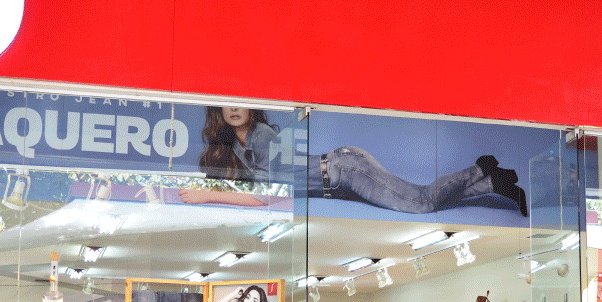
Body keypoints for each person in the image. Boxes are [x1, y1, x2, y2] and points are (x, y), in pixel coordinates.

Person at [179, 107, 528, 217]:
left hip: (348, 171)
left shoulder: (262, 136)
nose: (234, 108)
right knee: (422, 201)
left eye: (241, 101)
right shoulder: (236, 147)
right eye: (227, 103)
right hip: (340, 177)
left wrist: (207, 196)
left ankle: (480, 168)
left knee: (421, 202)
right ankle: (492, 183)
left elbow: (268, 197)